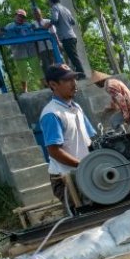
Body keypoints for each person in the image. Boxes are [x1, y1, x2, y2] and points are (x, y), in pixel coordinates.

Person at [39, 64, 96, 206]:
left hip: (84, 172)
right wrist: (82, 165)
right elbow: (53, 151)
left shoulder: (76, 107)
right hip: (65, 178)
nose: (74, 83)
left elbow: (90, 141)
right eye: (68, 80)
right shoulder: (52, 114)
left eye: (74, 78)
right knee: (85, 217)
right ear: (53, 84)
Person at [46, 0, 85, 77]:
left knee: (73, 57)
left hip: (66, 37)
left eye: (48, 1)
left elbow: (55, 19)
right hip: (72, 35)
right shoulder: (65, 9)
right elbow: (73, 22)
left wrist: (48, 25)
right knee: (72, 56)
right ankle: (78, 73)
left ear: (51, 1)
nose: (48, 3)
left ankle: (81, 74)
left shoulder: (54, 8)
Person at [5, 9, 44, 93]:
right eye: (19, 16)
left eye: (22, 17)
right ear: (15, 16)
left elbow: (35, 35)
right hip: (18, 53)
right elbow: (5, 35)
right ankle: (25, 90)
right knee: (22, 72)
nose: (20, 18)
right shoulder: (9, 26)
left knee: (37, 69)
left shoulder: (29, 25)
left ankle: (44, 86)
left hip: (31, 51)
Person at [32, 7, 60, 71]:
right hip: (42, 49)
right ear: (33, 15)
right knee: (47, 66)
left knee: (57, 64)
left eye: (37, 13)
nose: (36, 15)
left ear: (41, 13)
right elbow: (34, 41)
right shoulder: (33, 25)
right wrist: (37, 52)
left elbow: (54, 33)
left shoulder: (48, 21)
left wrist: (58, 44)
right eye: (35, 14)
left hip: (52, 46)